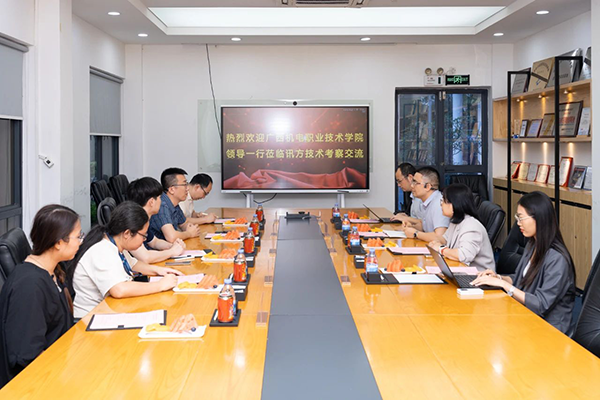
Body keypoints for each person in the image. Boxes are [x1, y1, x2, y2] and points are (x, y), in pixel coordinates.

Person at [472, 191, 576, 333]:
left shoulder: (557, 259)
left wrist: (504, 285)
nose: (518, 223)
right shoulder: (532, 244)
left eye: (521, 218)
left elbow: (541, 305)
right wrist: (499, 278)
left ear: (538, 218)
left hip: (548, 330)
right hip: (525, 317)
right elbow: (520, 278)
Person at [0, 205, 81, 386]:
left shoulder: (54, 270)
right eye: (78, 236)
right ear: (58, 243)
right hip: (36, 384)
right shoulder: (29, 286)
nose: (80, 242)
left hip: (61, 364)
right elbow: (26, 355)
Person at [69, 201, 181, 319]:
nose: (144, 240)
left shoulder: (115, 243)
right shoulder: (102, 250)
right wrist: (160, 285)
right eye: (143, 236)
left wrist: (159, 270)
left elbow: (133, 264)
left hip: (110, 310)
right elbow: (119, 290)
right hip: (91, 319)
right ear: (127, 233)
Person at [427, 184, 495, 271]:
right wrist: (436, 243)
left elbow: (463, 255)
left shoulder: (471, 226)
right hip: (461, 270)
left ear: (454, 204)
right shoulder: (456, 221)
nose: (441, 204)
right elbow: (446, 239)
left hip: (478, 275)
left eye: (443, 201)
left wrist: (441, 249)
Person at [126, 177, 186, 263]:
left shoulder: (144, 219)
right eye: (159, 198)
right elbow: (145, 257)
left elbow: (154, 242)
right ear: (151, 202)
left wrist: (173, 246)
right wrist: (171, 252)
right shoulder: (132, 221)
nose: (161, 201)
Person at [148, 167, 201, 243]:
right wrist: (189, 233)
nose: (187, 189)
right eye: (184, 185)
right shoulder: (162, 205)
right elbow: (171, 237)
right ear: (172, 189)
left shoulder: (174, 204)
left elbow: (184, 224)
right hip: (157, 248)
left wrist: (192, 229)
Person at [403, 167, 449, 242]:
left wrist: (415, 233)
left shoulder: (439, 204)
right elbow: (426, 227)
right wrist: (412, 227)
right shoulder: (426, 202)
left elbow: (440, 237)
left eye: (415, 183)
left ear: (427, 187)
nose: (412, 186)